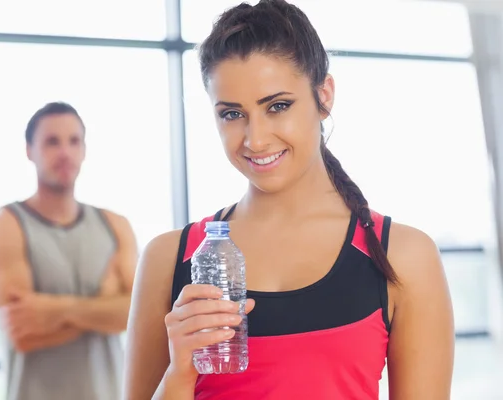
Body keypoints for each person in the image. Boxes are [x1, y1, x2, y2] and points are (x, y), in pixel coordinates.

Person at [123, 1, 455, 399]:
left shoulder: (402, 255)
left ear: (324, 96)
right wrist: (180, 371)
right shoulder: (169, 259)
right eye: (232, 114)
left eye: (277, 106)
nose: (256, 139)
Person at [0, 102, 137, 400]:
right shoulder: (6, 226)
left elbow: (135, 315)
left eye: (74, 141)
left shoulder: (115, 225)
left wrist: (54, 310)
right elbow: (24, 332)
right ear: (29, 150)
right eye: (52, 142)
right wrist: (104, 305)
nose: (65, 152)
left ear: (84, 149)